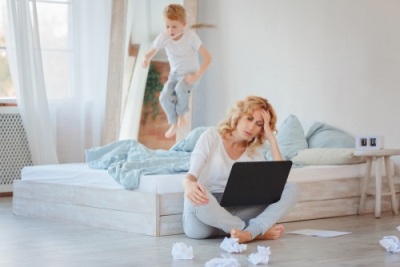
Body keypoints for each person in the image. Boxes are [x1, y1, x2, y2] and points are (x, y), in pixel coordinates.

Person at [182, 96, 300, 243]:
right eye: (249, 118)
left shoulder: (254, 153)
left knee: (291, 189)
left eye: (259, 124)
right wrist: (188, 185)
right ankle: (253, 232)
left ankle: (245, 231)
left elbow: (279, 182)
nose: (251, 127)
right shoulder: (211, 136)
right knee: (198, 194)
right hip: (205, 218)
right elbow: (191, 176)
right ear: (238, 115)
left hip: (235, 211)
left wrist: (272, 139)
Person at [142, 3, 212, 139]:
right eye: (167, 26)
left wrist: (197, 75)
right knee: (164, 97)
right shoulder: (164, 37)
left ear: (183, 24)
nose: (170, 30)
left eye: (174, 26)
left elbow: (208, 58)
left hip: (191, 74)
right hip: (175, 75)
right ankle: (174, 122)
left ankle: (181, 116)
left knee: (180, 89)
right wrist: (146, 59)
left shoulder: (190, 36)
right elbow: (151, 51)